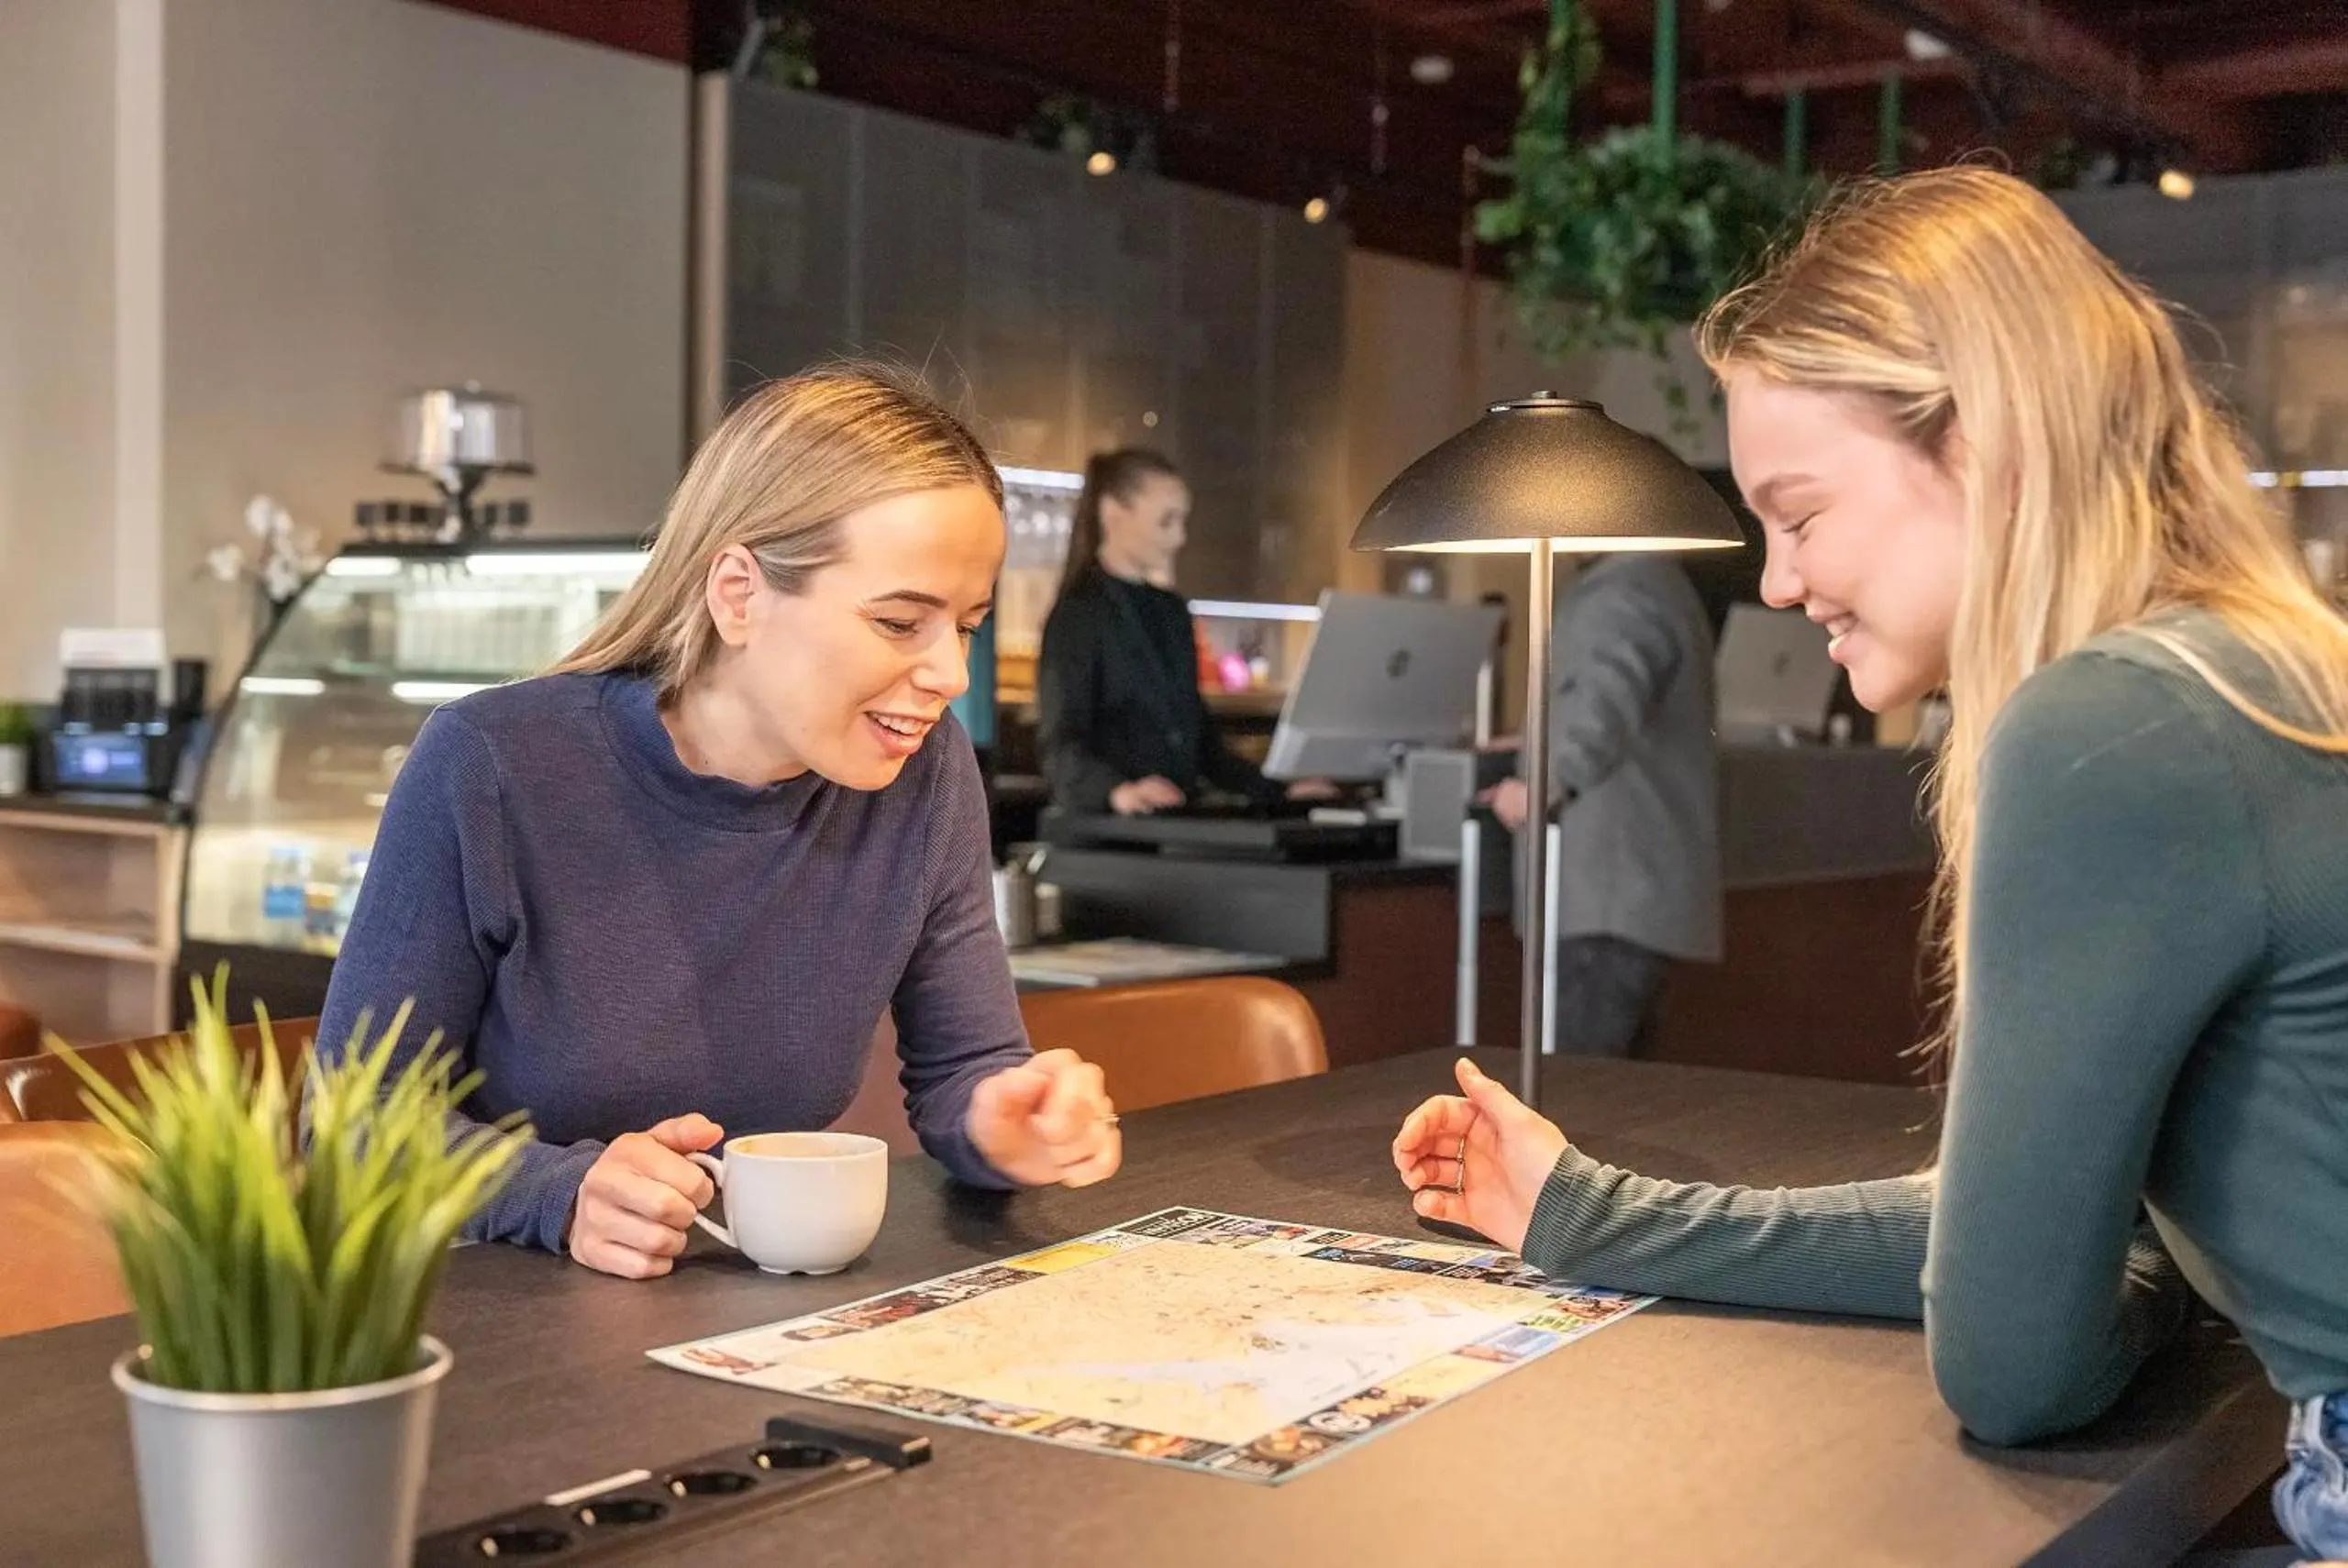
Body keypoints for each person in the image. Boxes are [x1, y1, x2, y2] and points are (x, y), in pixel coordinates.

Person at [1392, 167, 2348, 1559]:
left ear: (1977, 447)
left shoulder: (2114, 725)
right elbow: (2045, 1251)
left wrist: (2102, 1272)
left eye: (1803, 510)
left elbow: (2014, 1364)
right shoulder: (2252, 672)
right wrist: (1589, 1212)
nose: (1777, 581)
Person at [317, 366, 1122, 1280]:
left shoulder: (924, 775)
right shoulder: (493, 764)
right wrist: (558, 1191)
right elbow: (350, 1129)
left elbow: (964, 1070)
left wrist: (1002, 1123)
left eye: (968, 626)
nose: (951, 676)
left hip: (749, 1314)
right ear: (738, 593)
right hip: (494, 1325)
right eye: (901, 622)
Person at [1480, 556, 1722, 1055]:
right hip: (1630, 896)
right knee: (1610, 1092)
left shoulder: (1621, 594)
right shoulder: (1659, 581)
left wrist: (1542, 782)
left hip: (1602, 896)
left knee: (1577, 1096)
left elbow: (1601, 704)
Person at [1036, 449, 1330, 815]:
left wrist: (1281, 790)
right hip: (1106, 835)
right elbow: (1062, 748)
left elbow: (1203, 743)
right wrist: (1119, 792)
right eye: (1166, 521)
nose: (1179, 538)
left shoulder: (1172, 610)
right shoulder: (1077, 614)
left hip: (1173, 822)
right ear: (1113, 514)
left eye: (1182, 521)